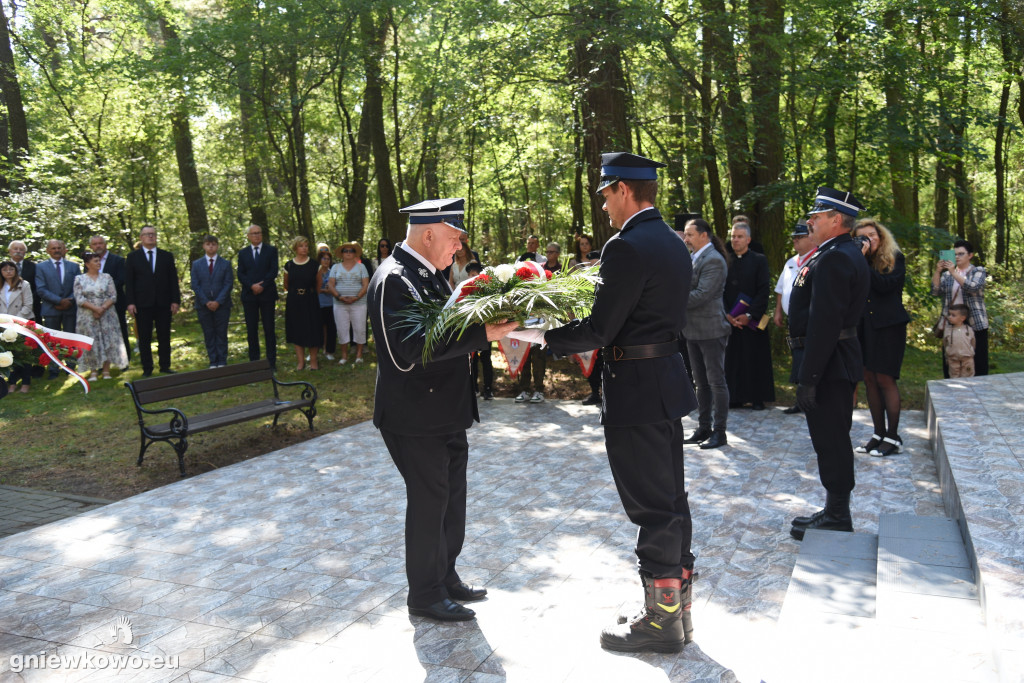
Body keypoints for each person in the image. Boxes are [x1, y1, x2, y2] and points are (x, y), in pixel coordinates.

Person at [512, 153, 699, 653]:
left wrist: (535, 333)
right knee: (671, 497)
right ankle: (677, 611)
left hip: (635, 388)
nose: (603, 207)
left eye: (605, 195)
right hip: (663, 382)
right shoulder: (673, 241)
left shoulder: (628, 246)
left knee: (650, 504)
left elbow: (600, 328)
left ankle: (661, 623)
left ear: (622, 189)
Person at [368, 197, 517, 622]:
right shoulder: (394, 280)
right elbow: (406, 355)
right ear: (428, 232)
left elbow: (447, 329)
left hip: (445, 413)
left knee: (452, 500)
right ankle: (425, 594)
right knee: (429, 502)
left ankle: (445, 575)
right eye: (454, 238)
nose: (458, 248)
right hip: (414, 417)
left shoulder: (429, 275)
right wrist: (481, 333)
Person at [788, 187, 870, 541]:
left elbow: (826, 322)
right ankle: (835, 508)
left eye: (817, 216)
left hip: (829, 364)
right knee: (829, 439)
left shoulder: (836, 257)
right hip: (832, 361)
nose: (810, 220)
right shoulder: (836, 252)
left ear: (837, 220)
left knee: (831, 439)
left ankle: (838, 514)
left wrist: (810, 377)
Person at [852, 218, 911, 457]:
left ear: (881, 236)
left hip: (889, 326)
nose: (868, 240)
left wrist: (862, 262)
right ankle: (878, 433)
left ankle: (893, 436)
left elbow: (885, 286)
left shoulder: (895, 258)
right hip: (864, 327)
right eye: (862, 237)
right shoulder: (858, 261)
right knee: (869, 378)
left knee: (885, 379)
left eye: (872, 235)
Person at [680, 218, 731, 450]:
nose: (686, 239)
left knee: (716, 382)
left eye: (690, 234)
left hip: (711, 330)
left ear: (704, 235)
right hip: (693, 330)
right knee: (700, 383)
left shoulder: (714, 260)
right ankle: (703, 428)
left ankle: (720, 432)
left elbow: (701, 294)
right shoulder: (694, 257)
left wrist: (669, 301)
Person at [723, 222, 774, 409]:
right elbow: (719, 289)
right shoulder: (725, 260)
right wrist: (727, 314)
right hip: (731, 320)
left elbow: (763, 289)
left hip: (752, 320)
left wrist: (750, 314)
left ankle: (757, 398)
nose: (735, 240)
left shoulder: (759, 260)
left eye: (740, 237)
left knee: (755, 358)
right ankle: (735, 397)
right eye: (733, 236)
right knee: (733, 359)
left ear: (748, 239)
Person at [773, 220, 816, 414]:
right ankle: (800, 400)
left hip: (809, 318)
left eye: (800, 238)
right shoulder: (791, 262)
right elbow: (781, 289)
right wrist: (778, 311)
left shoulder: (815, 260)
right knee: (797, 358)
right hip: (793, 318)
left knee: (809, 358)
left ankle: (811, 398)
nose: (795, 242)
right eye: (794, 239)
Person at [125, 226, 181, 377]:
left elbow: (172, 281)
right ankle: (147, 368)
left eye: (152, 234)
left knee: (164, 336)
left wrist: (175, 301)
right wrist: (130, 302)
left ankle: (165, 366)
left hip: (164, 303)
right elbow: (129, 282)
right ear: (141, 237)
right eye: (147, 234)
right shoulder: (133, 257)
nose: (150, 237)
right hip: (142, 304)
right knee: (144, 337)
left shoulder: (166, 256)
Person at [932, 239, 988, 377]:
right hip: (952, 322)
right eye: (955, 254)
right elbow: (935, 291)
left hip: (974, 322)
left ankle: (979, 391)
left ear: (970, 255)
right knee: (950, 359)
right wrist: (938, 272)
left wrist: (954, 273)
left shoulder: (978, 271)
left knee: (978, 360)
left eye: (961, 254)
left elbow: (972, 287)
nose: (957, 257)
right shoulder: (947, 275)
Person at [74, 253, 128, 380]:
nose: (99, 263)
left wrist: (102, 308)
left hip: (107, 314)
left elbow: (113, 296)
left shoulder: (107, 277)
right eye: (95, 261)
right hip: (87, 315)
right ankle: (93, 371)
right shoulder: (79, 279)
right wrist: (94, 308)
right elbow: (79, 298)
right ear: (87, 264)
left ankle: (106, 370)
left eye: (99, 261)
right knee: (91, 341)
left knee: (107, 340)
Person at [36, 240, 81, 379]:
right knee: (52, 341)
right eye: (53, 248)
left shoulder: (74, 266)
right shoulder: (41, 267)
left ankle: (71, 366)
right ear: (48, 250)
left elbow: (78, 286)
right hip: (51, 308)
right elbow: (41, 289)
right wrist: (58, 301)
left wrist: (69, 301)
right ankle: (54, 369)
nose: (56, 250)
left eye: (59, 248)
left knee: (70, 339)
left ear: (64, 249)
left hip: (70, 308)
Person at [237, 223, 279, 369]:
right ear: (248, 236)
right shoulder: (243, 253)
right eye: (253, 233)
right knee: (251, 329)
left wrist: (262, 285)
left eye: (259, 233)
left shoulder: (271, 250)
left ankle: (271, 362)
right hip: (249, 296)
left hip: (267, 294)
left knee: (269, 329)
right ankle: (254, 362)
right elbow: (240, 273)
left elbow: (274, 270)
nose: (256, 235)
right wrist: (251, 286)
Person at [190, 235, 233, 368]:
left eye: (213, 244)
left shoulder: (225, 264)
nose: (211, 246)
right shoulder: (197, 264)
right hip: (203, 306)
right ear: (204, 246)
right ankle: (213, 361)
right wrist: (206, 301)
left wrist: (218, 301)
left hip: (222, 305)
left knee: (221, 332)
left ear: (217, 246)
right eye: (208, 244)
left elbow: (228, 284)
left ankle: (222, 360)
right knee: (209, 333)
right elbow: (195, 285)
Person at [283, 236, 322, 371]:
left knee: (312, 329)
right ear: (295, 248)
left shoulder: (315, 265)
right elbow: (286, 284)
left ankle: (313, 361)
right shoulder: (289, 265)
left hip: (310, 300)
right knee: (297, 329)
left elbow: (318, 285)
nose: (304, 248)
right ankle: (300, 362)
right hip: (294, 301)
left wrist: (309, 294)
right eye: (301, 246)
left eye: (306, 245)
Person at [328, 241, 369, 365]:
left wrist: (356, 297)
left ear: (355, 253)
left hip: (359, 303)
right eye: (345, 251)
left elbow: (366, 284)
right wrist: (339, 296)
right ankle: (344, 356)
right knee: (342, 329)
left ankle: (359, 355)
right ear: (342, 253)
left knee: (360, 328)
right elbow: (330, 284)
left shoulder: (361, 267)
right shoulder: (335, 267)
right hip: (340, 304)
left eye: (351, 251)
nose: (348, 253)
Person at [90, 235, 131, 359]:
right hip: (96, 305)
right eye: (95, 244)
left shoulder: (118, 260)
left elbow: (121, 280)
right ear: (91, 247)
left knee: (120, 332)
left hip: (115, 303)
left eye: (100, 243)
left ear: (105, 244)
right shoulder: (89, 261)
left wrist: (103, 291)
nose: (98, 246)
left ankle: (124, 359)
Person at [0, 260, 34, 392]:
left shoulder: (24, 284)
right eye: (5, 270)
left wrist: (16, 320)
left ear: (15, 271)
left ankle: (26, 382)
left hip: (21, 323)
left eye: (11, 269)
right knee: (8, 354)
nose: (8, 272)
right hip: (3, 325)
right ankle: (12, 383)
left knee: (24, 354)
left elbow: (28, 305)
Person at [8, 240, 40, 323]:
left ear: (25, 252)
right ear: (10, 251)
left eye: (21, 249)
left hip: (30, 308)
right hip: (7, 308)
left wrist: (28, 301)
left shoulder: (34, 267)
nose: (18, 251)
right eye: (15, 249)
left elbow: (38, 287)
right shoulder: (3, 267)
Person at [943, 304, 975, 378]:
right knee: (954, 377)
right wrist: (947, 354)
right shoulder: (948, 330)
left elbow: (973, 342)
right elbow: (945, 343)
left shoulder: (968, 329)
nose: (950, 317)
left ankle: (967, 389)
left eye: (953, 315)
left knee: (968, 376)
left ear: (962, 318)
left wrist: (971, 351)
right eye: (949, 314)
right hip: (953, 358)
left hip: (967, 358)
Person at [316, 250, 337, 360]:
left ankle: (329, 351)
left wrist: (326, 290)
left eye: (328, 259)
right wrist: (323, 289)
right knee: (318, 327)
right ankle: (316, 349)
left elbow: (334, 287)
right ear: (320, 260)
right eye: (324, 258)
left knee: (330, 328)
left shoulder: (332, 273)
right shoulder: (316, 272)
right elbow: (316, 288)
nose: (326, 261)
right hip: (318, 303)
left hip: (330, 304)